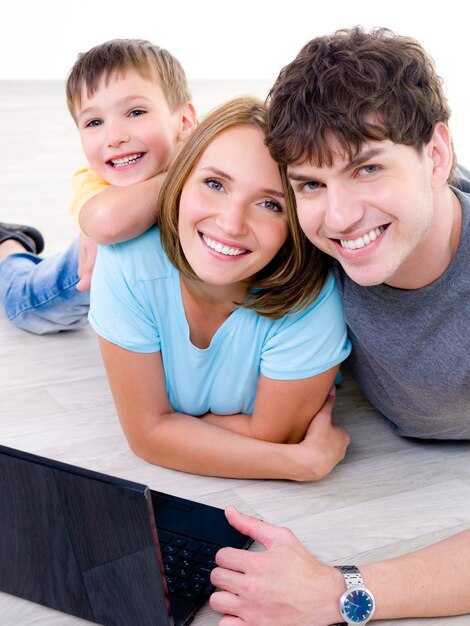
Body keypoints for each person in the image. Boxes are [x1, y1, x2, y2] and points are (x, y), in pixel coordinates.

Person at [210, 27, 470, 623]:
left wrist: (338, 591)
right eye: (311, 184)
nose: (341, 217)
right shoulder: (306, 244)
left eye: (368, 169)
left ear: (435, 155)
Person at [88, 96, 351, 480]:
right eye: (214, 183)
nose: (231, 223)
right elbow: (145, 435)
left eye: (270, 205)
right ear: (179, 182)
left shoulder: (311, 299)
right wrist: (299, 463)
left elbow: (276, 433)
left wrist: (167, 425)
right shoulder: (129, 261)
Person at [0, 38, 196, 334]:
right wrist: (184, 178)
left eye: (136, 112)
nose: (114, 136)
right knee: (23, 298)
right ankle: (9, 244)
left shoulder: (210, 156)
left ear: (183, 119)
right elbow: (108, 222)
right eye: (94, 122)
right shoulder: (93, 180)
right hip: (66, 283)